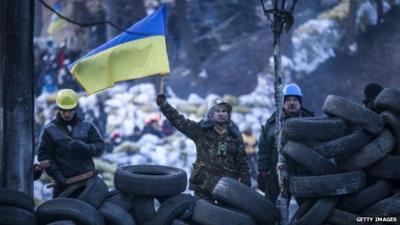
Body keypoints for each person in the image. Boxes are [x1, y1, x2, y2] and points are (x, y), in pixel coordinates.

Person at [157, 95, 250, 200]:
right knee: (200, 215)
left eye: (224, 111)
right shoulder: (201, 130)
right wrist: (164, 106)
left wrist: (246, 182)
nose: (221, 113)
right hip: (204, 186)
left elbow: (242, 161)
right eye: (217, 111)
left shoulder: (235, 135)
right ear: (210, 113)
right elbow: (180, 122)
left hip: (227, 187)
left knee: (227, 215)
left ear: (228, 114)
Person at [37, 89, 105, 197]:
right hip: (63, 185)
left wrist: (85, 148)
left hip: (87, 183)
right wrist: (58, 176)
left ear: (75, 108)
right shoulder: (49, 130)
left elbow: (100, 147)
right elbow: (44, 155)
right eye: (63, 111)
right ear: (58, 109)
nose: (67, 114)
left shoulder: (87, 126)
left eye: (70, 111)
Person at [257, 83, 314, 203]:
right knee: (274, 209)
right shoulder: (272, 123)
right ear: (283, 103)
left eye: (295, 99)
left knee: (309, 209)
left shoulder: (311, 121)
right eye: (288, 100)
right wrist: (263, 171)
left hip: (303, 172)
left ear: (300, 102)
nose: (292, 103)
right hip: (277, 173)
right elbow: (263, 148)